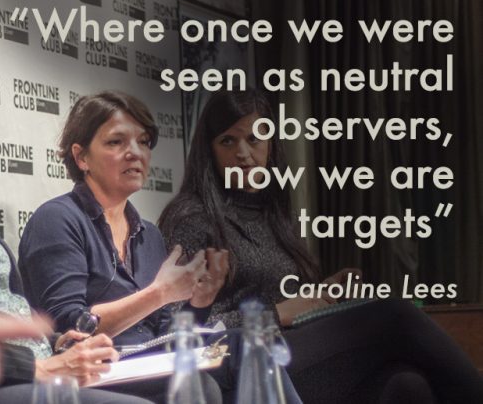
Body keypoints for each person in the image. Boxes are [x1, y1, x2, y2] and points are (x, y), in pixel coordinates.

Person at [159, 88, 483, 404]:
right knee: (394, 314)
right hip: (240, 365)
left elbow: (284, 299)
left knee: (406, 384)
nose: (243, 152)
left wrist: (320, 295)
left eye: (254, 138)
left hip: (298, 354)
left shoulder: (273, 215)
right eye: (228, 140)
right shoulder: (192, 218)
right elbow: (176, 332)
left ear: (271, 144)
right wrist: (277, 314)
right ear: (209, 150)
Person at [17, 91, 301, 404]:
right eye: (116, 142)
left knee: (247, 344)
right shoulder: (57, 219)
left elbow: (167, 333)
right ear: (81, 157)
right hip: (95, 371)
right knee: (202, 385)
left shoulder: (148, 234)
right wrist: (160, 293)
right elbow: (69, 327)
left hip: (150, 363)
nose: (134, 153)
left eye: (143, 142)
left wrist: (199, 303)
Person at [0, 220, 153, 404]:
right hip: (9, 378)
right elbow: (67, 314)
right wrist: (36, 367)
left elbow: (9, 302)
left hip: (35, 365)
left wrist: (54, 343)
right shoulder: (56, 219)